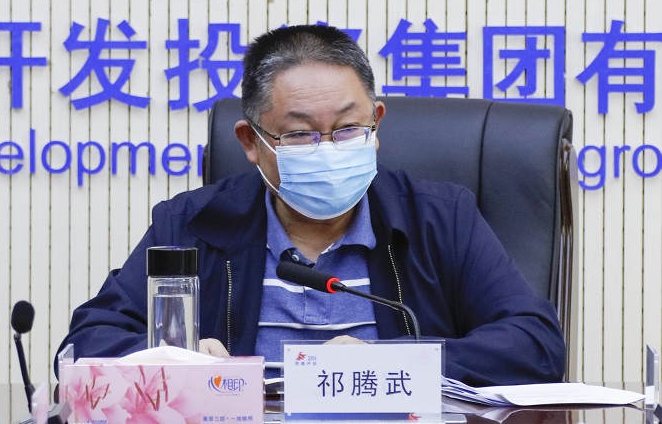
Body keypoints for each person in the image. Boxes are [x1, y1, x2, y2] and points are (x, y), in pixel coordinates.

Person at [55, 24, 565, 386]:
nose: (328, 149)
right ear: (251, 142)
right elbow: (85, 345)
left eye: (348, 129)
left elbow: (535, 344)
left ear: (377, 124)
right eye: (300, 134)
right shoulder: (192, 223)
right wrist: (170, 360)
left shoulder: (439, 218)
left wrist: (391, 362)